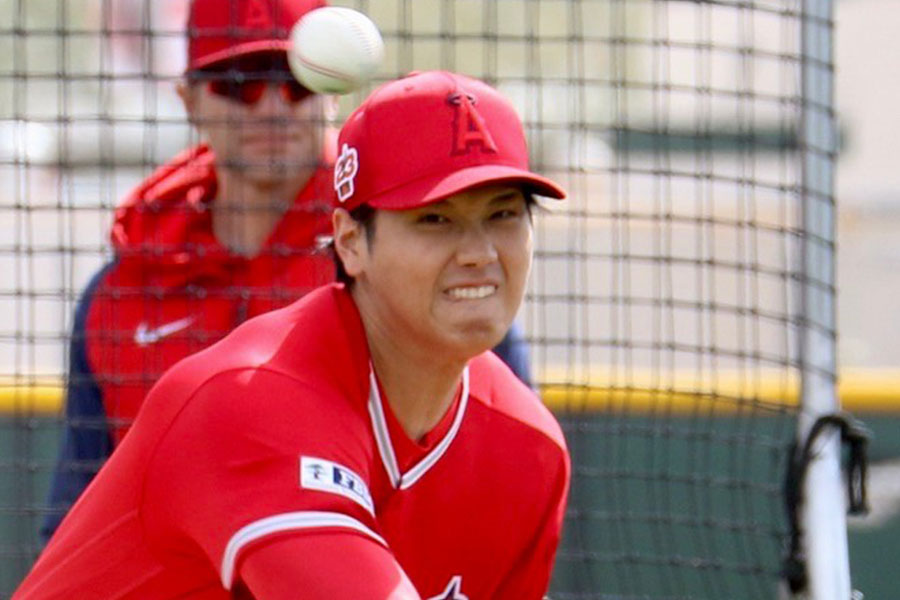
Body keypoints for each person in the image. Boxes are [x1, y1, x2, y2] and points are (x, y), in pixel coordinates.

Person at [16, 70, 570, 599]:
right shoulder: (253, 398)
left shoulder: (528, 451)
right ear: (350, 242)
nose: (479, 254)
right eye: (435, 219)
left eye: (502, 214)